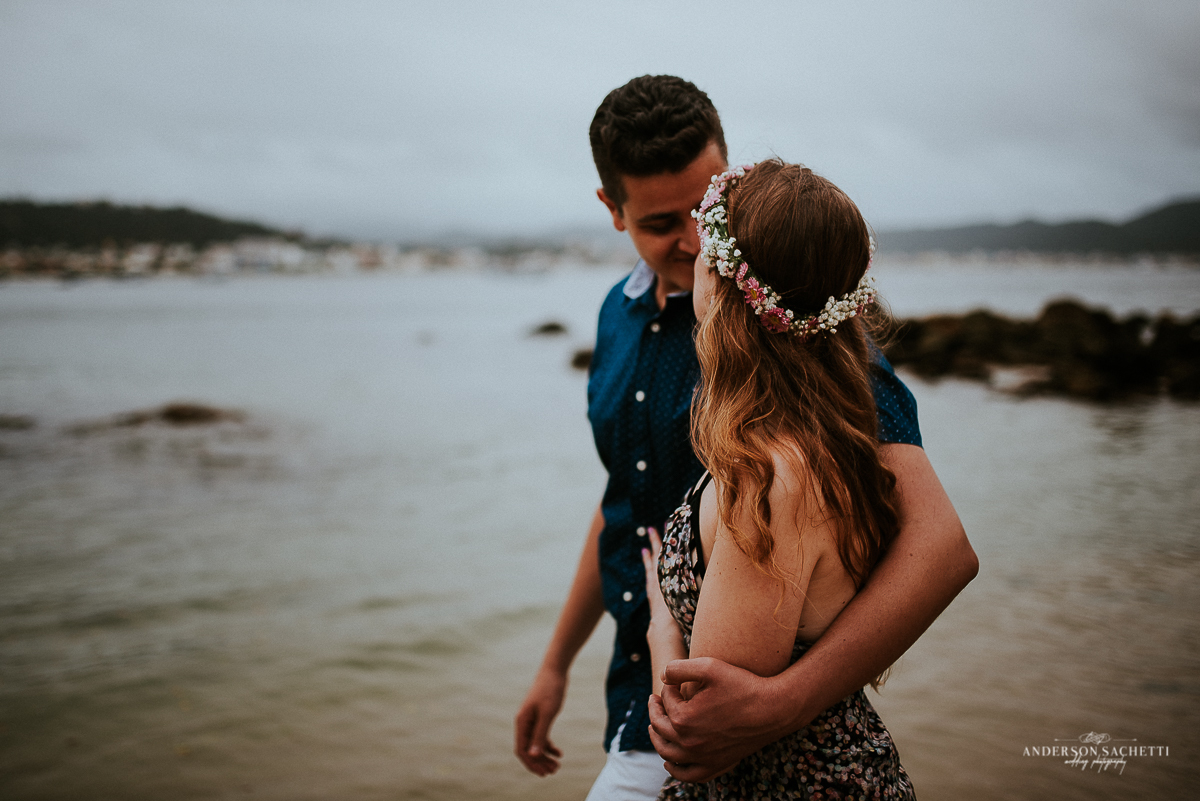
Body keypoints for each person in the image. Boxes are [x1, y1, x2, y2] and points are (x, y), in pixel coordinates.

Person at [513, 75, 976, 800]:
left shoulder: (804, 337)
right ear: (612, 209)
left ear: (724, 173)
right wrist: (554, 663)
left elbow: (942, 548)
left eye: (703, 209)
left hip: (734, 728)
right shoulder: (614, 317)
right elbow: (622, 507)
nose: (695, 239)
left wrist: (782, 701)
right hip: (637, 701)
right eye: (665, 221)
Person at [643, 159, 919, 799]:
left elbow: (697, 743)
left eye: (708, 254)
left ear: (727, 283)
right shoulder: (840, 428)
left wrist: (660, 621)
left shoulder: (769, 478)